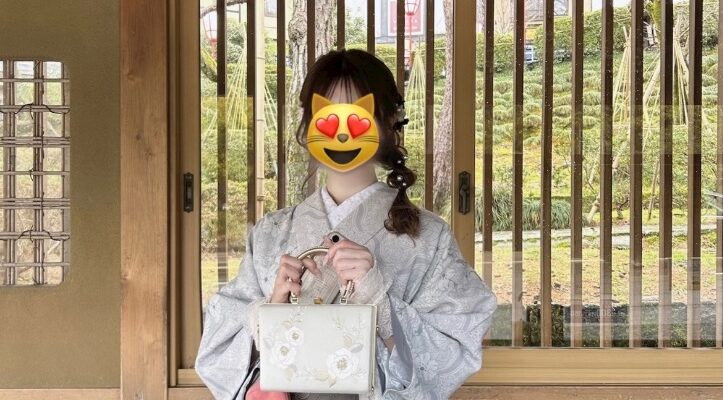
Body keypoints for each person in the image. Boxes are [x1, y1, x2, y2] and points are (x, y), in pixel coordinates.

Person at [195, 49, 497, 400]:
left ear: (387, 122)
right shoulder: (270, 233)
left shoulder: (428, 237)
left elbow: (455, 341)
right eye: (326, 117)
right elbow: (220, 344)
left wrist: (380, 302)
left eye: (356, 116)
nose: (341, 132)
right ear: (308, 127)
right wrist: (269, 312)